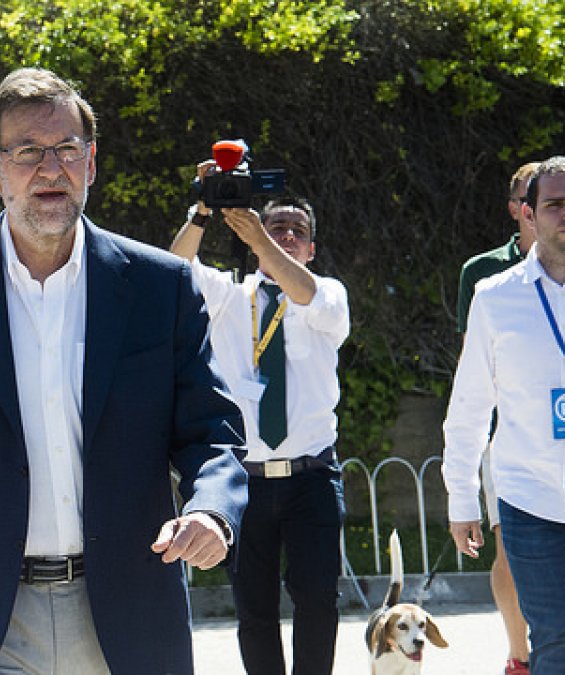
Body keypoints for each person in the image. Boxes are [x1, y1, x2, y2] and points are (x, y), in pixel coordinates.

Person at [0, 67, 247, 675]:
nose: (50, 168)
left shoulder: (157, 287)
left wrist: (212, 510)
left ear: (90, 164)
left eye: (67, 150)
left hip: (126, 609)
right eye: (28, 152)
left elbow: (211, 430)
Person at [171, 182, 350, 674]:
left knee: (317, 599)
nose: (288, 236)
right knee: (254, 610)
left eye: (298, 232)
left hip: (311, 475)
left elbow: (307, 292)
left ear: (311, 248)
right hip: (246, 479)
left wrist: (261, 239)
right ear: (253, 240)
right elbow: (174, 269)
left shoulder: (326, 294)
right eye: (277, 227)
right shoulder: (231, 295)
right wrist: (204, 210)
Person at [443, 155, 565, 675]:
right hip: (528, 498)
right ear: (528, 214)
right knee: (555, 642)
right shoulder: (494, 297)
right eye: (555, 204)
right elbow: (469, 403)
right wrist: (462, 496)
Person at [454, 161, 539, 675]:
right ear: (516, 208)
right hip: (506, 435)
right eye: (532, 195)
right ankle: (520, 655)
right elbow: (472, 366)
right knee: (511, 545)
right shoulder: (481, 273)